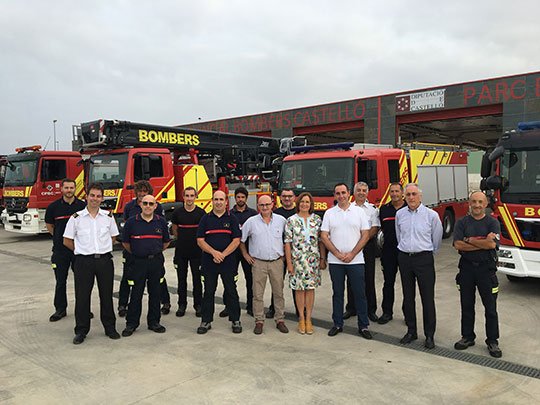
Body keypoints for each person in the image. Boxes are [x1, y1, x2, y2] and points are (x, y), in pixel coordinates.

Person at [63, 183, 120, 344]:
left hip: (104, 261)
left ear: (102, 198)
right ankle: (81, 330)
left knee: (106, 296)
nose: (95, 199)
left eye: (98, 196)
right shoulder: (76, 218)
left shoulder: (108, 217)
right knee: (82, 297)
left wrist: (101, 248)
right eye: (92, 195)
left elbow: (113, 237)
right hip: (83, 262)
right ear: (86, 196)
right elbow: (67, 240)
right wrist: (82, 250)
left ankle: (110, 328)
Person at [453, 191, 502, 358]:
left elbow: (492, 245)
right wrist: (482, 242)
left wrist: (469, 240)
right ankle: (467, 337)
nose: (477, 205)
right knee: (466, 305)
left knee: (490, 308)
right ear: (469, 203)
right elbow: (458, 244)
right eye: (474, 201)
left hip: (486, 270)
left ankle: (492, 341)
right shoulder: (461, 222)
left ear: (486, 204)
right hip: (466, 269)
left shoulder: (493, 223)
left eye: (480, 202)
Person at [321, 183, 372, 340]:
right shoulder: (329, 213)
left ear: (349, 193)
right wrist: (337, 253)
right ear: (334, 195)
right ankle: (337, 323)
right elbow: (324, 236)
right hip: (336, 262)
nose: (341, 195)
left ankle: (363, 326)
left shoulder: (359, 212)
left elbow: (365, 235)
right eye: (338, 193)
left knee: (359, 293)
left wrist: (352, 254)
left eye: (343, 192)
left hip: (356, 260)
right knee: (338, 293)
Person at [396, 183, 443, 349]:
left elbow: (436, 239)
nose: (411, 197)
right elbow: (399, 235)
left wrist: (427, 252)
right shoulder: (400, 214)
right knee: (408, 297)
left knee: (427, 298)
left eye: (414, 194)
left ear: (420, 196)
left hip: (424, 259)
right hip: (405, 259)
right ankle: (411, 331)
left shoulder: (431, 215)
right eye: (408, 194)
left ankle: (429, 335)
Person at [118, 180, 171, 317]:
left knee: (159, 280)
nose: (142, 195)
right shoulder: (129, 207)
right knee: (128, 280)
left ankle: (164, 303)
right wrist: (135, 251)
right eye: (140, 192)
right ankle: (123, 305)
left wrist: (156, 249)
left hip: (154, 256)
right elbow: (125, 238)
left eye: (145, 192)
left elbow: (165, 239)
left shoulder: (158, 210)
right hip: (134, 254)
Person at [240, 194, 289, 334]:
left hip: (276, 262)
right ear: (258, 206)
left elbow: (288, 239)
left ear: (272, 204)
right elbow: (241, 240)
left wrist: (284, 257)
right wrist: (246, 255)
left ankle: (280, 320)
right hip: (258, 263)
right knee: (258, 294)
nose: (265, 207)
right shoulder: (251, 222)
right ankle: (259, 321)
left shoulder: (281, 221)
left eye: (267, 204)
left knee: (278, 293)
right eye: (262, 205)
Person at [196, 190, 243, 334]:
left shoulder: (232, 219)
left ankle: (235, 320)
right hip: (209, 263)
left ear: (225, 202)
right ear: (212, 201)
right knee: (208, 292)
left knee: (231, 291)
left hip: (228, 262)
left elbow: (236, 240)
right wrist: (214, 253)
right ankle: (206, 321)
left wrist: (223, 254)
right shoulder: (205, 219)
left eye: (221, 199)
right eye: (216, 199)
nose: (218, 202)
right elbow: (200, 240)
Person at [284, 192, 326, 334]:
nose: (304, 204)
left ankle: (309, 318)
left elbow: (321, 241)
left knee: (310, 289)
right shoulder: (291, 220)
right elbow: (288, 244)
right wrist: (289, 263)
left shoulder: (317, 220)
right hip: (297, 261)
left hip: (312, 261)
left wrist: (322, 259)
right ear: (298, 203)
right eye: (302, 202)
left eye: (307, 202)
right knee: (299, 290)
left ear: (311, 204)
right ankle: (301, 318)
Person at [45, 178, 86, 322]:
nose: (69, 190)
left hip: (78, 250)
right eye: (66, 188)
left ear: (75, 189)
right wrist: (59, 238)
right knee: (60, 281)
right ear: (61, 189)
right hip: (60, 251)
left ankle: (82, 309)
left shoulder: (82, 206)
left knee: (81, 281)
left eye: (72, 188)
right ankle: (60, 309)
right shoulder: (53, 207)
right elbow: (49, 225)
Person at [344, 182, 380, 322]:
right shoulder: (348, 207)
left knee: (368, 278)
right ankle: (351, 308)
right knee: (351, 279)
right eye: (358, 190)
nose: (361, 193)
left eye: (364, 190)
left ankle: (371, 310)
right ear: (353, 192)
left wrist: (361, 242)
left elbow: (374, 228)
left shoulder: (372, 209)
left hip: (367, 248)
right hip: (350, 247)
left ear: (367, 192)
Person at [220, 187, 257, 318]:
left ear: (247, 198)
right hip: (232, 252)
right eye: (238, 197)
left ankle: (251, 306)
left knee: (250, 279)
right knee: (230, 279)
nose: (240, 199)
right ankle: (228, 306)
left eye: (243, 197)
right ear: (234, 198)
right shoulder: (229, 214)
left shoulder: (253, 214)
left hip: (248, 252)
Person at [171, 186, 206, 317]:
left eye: (192, 196)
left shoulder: (201, 213)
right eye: (187, 195)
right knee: (181, 279)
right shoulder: (177, 213)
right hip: (181, 252)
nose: (190, 198)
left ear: (196, 197)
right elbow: (175, 230)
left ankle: (198, 305)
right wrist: (181, 241)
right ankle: (182, 304)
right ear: (183, 196)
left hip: (197, 252)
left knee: (197, 279)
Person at [377, 182, 407, 325]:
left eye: (397, 191)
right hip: (388, 253)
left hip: (406, 253)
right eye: (392, 191)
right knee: (388, 283)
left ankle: (408, 314)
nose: (394, 194)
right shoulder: (384, 209)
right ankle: (387, 312)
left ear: (402, 193)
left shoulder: (410, 208)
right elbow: (382, 230)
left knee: (408, 285)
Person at [267, 188, 297, 319]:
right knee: (277, 283)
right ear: (280, 198)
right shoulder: (274, 214)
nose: (287, 199)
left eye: (289, 196)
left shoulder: (299, 212)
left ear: (294, 198)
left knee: (297, 283)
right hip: (279, 255)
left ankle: (300, 309)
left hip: (296, 254)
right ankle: (273, 308)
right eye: (284, 196)